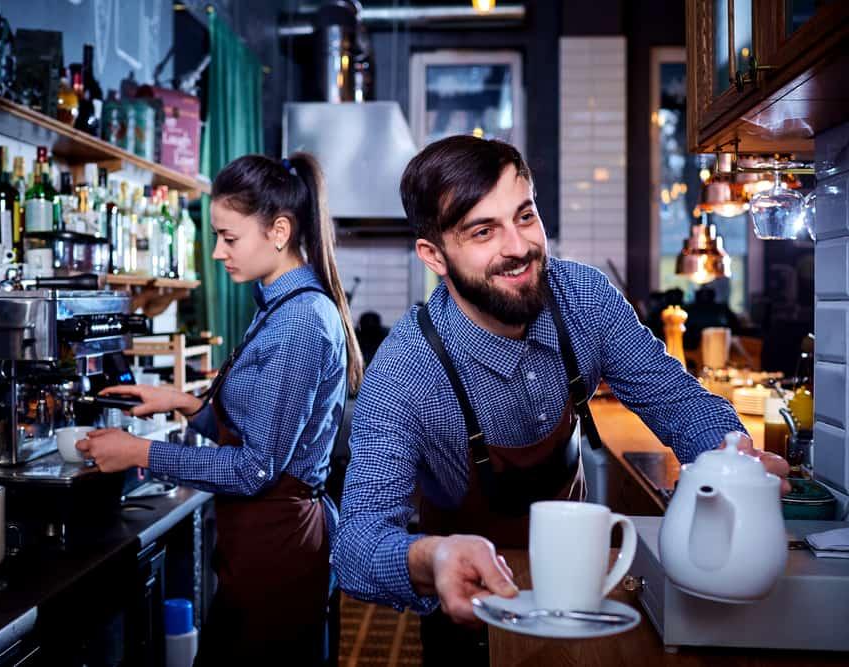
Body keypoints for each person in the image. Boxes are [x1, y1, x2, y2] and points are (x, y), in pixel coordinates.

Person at [331, 136, 789, 666]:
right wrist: (431, 555)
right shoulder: (406, 370)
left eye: (524, 216)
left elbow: (675, 398)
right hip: (471, 615)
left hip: (580, 597)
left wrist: (731, 456)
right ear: (434, 255)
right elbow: (356, 546)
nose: (519, 246)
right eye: (483, 231)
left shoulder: (584, 298)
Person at [77, 152, 363, 666]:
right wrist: (185, 403)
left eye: (228, 238)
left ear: (279, 231)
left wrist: (141, 452)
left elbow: (256, 467)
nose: (216, 253)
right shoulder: (278, 304)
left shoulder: (299, 321)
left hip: (280, 554)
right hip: (262, 550)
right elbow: (265, 428)